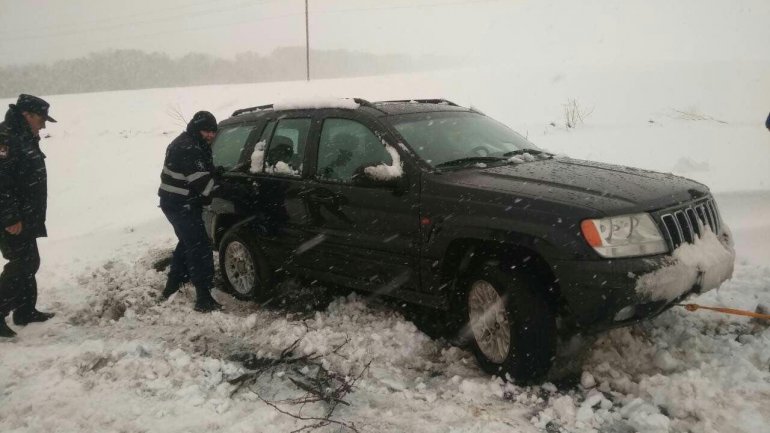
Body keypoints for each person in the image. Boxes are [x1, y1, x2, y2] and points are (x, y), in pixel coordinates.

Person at [0, 94, 57, 338]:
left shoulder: (24, 136)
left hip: (26, 215)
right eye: (41, 119)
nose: (43, 125)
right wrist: (10, 217)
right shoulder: (7, 139)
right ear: (27, 115)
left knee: (29, 261)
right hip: (13, 218)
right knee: (22, 263)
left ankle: (25, 310)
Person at [158, 111, 222, 313]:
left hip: (178, 202)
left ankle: (172, 286)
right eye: (207, 131)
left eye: (213, 131)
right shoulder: (189, 148)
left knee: (187, 242)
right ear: (197, 129)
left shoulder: (191, 142)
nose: (211, 135)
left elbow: (199, 174)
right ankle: (203, 298)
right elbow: (204, 186)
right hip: (180, 205)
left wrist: (214, 173)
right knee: (199, 246)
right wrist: (226, 185)